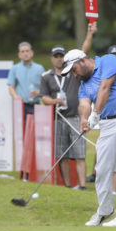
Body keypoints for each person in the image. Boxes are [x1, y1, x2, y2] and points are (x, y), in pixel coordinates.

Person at [61, 49, 116, 227]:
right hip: (108, 124)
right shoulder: (83, 84)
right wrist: (85, 118)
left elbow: (105, 87)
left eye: (74, 69)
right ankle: (106, 209)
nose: (74, 74)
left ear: (83, 61)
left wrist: (96, 113)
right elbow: (84, 103)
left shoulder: (108, 61)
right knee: (101, 169)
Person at [39, 45, 87, 190]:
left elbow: (84, 51)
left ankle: (83, 185)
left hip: (75, 117)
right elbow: (44, 98)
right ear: (52, 59)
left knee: (80, 153)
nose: (59, 59)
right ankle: (67, 185)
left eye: (61, 56)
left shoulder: (74, 72)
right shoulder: (46, 76)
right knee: (62, 155)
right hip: (57, 118)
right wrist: (55, 101)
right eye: (56, 56)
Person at [86, 44, 116, 185]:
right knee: (103, 148)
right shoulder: (103, 74)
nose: (115, 59)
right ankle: (97, 174)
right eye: (112, 56)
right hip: (109, 118)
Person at [7, 42, 45, 122]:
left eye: (27, 51)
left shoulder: (39, 68)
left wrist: (39, 93)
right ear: (19, 54)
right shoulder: (14, 69)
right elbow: (11, 87)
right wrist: (15, 96)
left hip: (37, 105)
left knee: (36, 131)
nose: (25, 54)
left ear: (32, 53)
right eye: (22, 51)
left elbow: (45, 87)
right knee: (22, 131)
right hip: (21, 105)